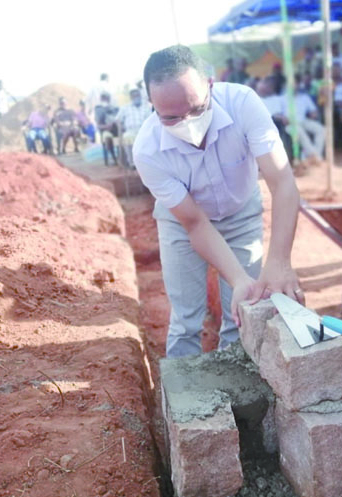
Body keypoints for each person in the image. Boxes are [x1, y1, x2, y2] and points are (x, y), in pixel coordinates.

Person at [133, 45, 303, 358]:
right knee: (186, 319)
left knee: (241, 311)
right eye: (171, 118)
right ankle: (185, 396)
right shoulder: (148, 151)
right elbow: (194, 222)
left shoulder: (243, 104)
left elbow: (282, 182)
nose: (188, 123)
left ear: (210, 84)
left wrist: (279, 261)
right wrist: (237, 277)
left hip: (241, 214)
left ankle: (237, 381)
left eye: (196, 109)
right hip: (182, 226)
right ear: (151, 104)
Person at [288, 75, 325, 164]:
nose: (293, 86)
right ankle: (315, 156)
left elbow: (313, 110)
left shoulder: (304, 97)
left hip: (303, 121)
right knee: (300, 131)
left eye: (295, 84)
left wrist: (314, 113)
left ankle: (315, 156)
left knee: (321, 129)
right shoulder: (282, 98)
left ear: (298, 85)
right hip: (289, 123)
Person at [116, 89, 152, 167]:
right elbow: (118, 120)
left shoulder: (146, 107)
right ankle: (132, 163)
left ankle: (146, 162)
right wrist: (121, 127)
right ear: (131, 97)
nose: (136, 97)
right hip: (130, 131)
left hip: (143, 130)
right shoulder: (125, 108)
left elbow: (150, 120)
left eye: (138, 95)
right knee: (127, 137)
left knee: (149, 139)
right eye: (134, 96)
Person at [95, 92, 119, 166]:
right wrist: (106, 126)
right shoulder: (99, 109)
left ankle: (123, 159)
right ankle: (114, 158)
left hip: (117, 130)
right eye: (103, 98)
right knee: (108, 138)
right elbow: (98, 125)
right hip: (106, 130)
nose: (105, 100)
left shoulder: (115, 108)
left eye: (107, 98)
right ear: (101, 99)